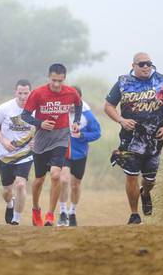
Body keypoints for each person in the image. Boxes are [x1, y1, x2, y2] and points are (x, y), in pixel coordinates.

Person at [104, 52, 163, 224]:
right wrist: (121, 120)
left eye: (148, 64)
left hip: (155, 139)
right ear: (133, 66)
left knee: (149, 180)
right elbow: (108, 106)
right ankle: (134, 214)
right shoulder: (123, 83)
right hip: (130, 139)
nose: (146, 67)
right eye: (141, 64)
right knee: (131, 175)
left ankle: (145, 193)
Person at [21, 64, 82, 226]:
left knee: (56, 175)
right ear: (48, 77)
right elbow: (25, 115)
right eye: (54, 80)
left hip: (61, 137)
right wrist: (40, 123)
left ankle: (50, 214)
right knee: (39, 179)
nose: (56, 84)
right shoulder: (38, 93)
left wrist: (75, 121)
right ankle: (36, 209)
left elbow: (78, 104)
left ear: (64, 78)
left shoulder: (71, 92)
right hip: (42, 139)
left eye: (60, 81)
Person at [0, 79, 35, 225]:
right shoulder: (5, 108)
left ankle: (16, 218)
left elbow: (44, 127)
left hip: (26, 154)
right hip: (5, 155)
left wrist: (38, 140)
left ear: (31, 92)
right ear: (15, 92)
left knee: (21, 184)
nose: (23, 96)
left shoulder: (36, 109)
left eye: (26, 93)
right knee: (7, 191)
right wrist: (3, 141)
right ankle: (10, 204)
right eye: (20, 93)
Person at [57, 86, 101, 227]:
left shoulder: (86, 114)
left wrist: (82, 135)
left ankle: (72, 212)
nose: (70, 105)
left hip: (80, 153)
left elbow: (97, 133)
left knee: (75, 185)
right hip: (63, 152)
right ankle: (62, 212)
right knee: (63, 180)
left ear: (79, 100)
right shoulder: (59, 109)